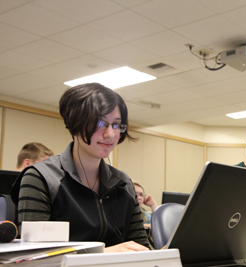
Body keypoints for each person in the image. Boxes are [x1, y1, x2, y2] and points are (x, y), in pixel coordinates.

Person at [11, 83, 149, 252]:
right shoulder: (40, 177)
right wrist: (101, 254)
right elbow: (35, 257)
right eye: (100, 123)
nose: (110, 134)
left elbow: (141, 247)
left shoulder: (123, 183)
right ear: (76, 123)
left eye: (116, 125)